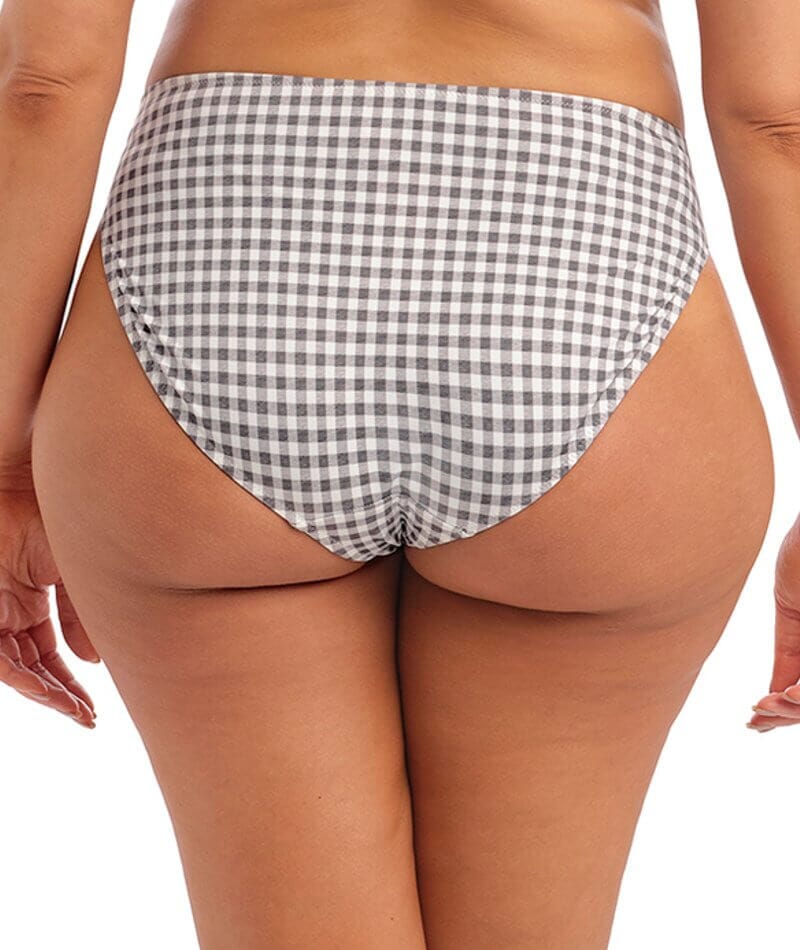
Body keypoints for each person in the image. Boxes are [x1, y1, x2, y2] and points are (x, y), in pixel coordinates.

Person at [0, 0, 796, 946]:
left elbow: (44, 85)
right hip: (579, 259)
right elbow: (776, 116)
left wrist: (8, 467)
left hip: (221, 256)